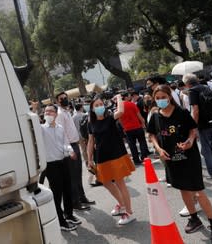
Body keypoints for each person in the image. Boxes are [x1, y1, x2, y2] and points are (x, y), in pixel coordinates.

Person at [147, 85, 212, 243]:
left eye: (163, 97)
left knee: (198, 191)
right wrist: (159, 149)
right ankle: (194, 218)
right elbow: (152, 135)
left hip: (189, 157)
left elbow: (193, 130)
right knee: (183, 189)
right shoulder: (155, 116)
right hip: (170, 159)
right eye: (158, 98)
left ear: (170, 97)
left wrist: (189, 141)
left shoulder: (181, 112)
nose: (161, 100)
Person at [87, 94, 136, 225]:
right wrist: (89, 159)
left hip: (116, 155)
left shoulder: (110, 118)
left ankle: (129, 212)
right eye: (96, 105)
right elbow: (91, 142)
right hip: (101, 157)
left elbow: (120, 111)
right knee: (106, 182)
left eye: (101, 104)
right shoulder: (90, 123)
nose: (99, 107)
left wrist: (118, 98)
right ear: (92, 109)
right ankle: (122, 204)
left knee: (120, 183)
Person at [41, 104, 80, 231]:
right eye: (46, 112)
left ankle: (68, 215)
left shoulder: (60, 128)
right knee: (56, 194)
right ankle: (60, 221)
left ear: (56, 114)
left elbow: (65, 143)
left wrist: (70, 151)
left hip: (63, 162)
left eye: (50, 112)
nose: (48, 114)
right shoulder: (41, 129)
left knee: (67, 189)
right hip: (51, 166)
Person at [55, 92, 95, 209]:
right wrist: (69, 149)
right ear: (57, 101)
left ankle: (82, 198)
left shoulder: (67, 112)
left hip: (75, 145)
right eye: (61, 99)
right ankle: (75, 202)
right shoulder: (60, 114)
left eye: (65, 98)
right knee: (73, 176)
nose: (64, 100)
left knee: (78, 174)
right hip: (70, 147)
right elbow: (61, 133)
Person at [118, 91, 151, 164]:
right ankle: (144, 156)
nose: (130, 97)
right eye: (129, 96)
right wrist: (143, 123)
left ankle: (136, 160)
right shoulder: (132, 104)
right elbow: (139, 115)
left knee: (132, 145)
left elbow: (120, 120)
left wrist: (123, 127)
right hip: (137, 126)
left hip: (127, 129)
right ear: (125, 97)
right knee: (142, 141)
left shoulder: (119, 108)